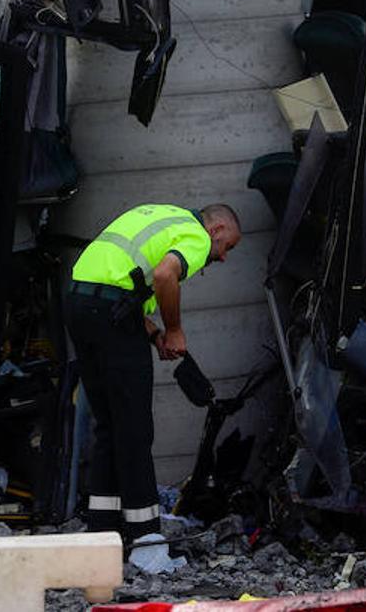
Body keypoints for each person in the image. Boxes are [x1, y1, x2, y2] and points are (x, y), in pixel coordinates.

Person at [66, 202, 241, 542]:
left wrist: (155, 335)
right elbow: (164, 274)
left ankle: (103, 533)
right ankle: (146, 540)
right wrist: (174, 329)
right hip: (109, 315)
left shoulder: (160, 215)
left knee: (109, 426)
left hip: (79, 304)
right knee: (134, 428)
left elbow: (118, 291)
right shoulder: (196, 235)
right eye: (227, 247)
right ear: (216, 230)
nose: (222, 257)